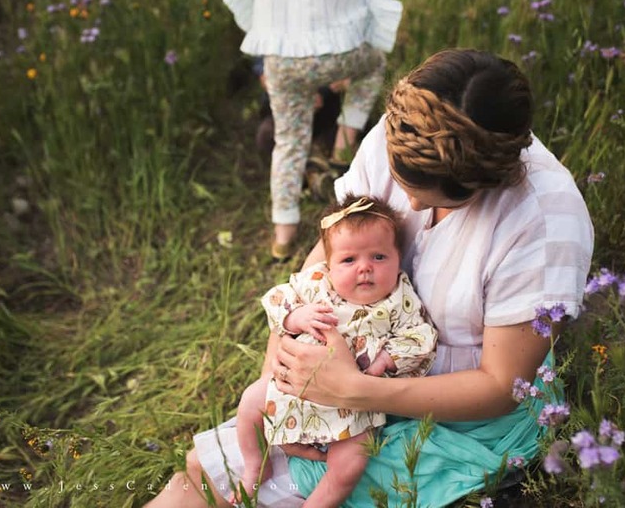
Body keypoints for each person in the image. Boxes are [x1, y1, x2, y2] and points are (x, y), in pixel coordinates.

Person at [145, 48, 594, 508]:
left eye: (434, 198)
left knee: (251, 491)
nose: (412, 210)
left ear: (486, 182)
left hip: (455, 414)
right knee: (201, 470)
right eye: (405, 186)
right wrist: (285, 385)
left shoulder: (542, 221)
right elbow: (330, 249)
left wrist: (359, 392)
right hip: (349, 373)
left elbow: (501, 385)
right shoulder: (402, 132)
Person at [231, 195, 437, 506]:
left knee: (351, 463)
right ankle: (254, 466)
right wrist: (296, 316)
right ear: (329, 264)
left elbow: (421, 337)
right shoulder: (316, 284)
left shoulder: (400, 299)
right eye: (349, 260)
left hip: (354, 404)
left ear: (399, 258)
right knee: (249, 404)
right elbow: (277, 299)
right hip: (297, 384)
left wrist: (387, 360)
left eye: (379, 257)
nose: (365, 268)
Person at [222, 0, 403, 261]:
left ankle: (283, 236)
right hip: (341, 51)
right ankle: (343, 144)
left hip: (282, 56)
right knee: (374, 63)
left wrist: (262, 25)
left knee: (288, 142)